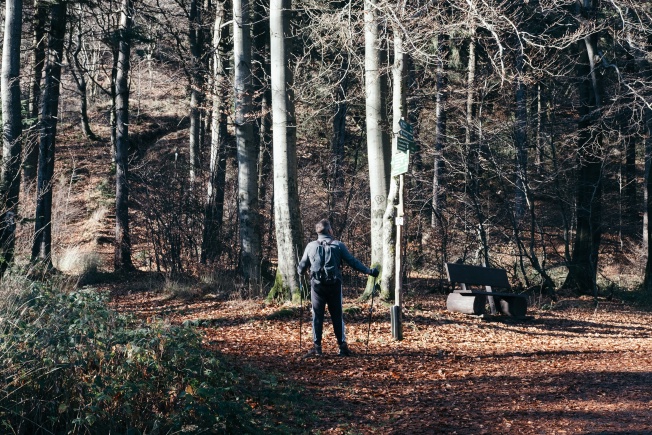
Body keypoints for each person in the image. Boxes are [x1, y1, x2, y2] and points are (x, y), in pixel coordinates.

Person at [297, 219, 379, 357]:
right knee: (337, 315)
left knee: (317, 316)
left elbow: (302, 267)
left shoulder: (310, 246)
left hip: (317, 287)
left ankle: (317, 347)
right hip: (334, 286)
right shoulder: (338, 245)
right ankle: (342, 346)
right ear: (329, 231)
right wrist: (369, 271)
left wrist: (300, 271)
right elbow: (352, 262)